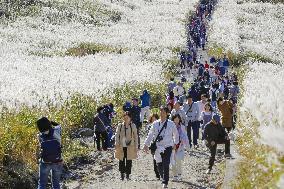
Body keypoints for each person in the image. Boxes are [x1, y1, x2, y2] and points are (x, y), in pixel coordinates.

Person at [143, 106, 179, 189]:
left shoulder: (171, 123)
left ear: (167, 114)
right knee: (159, 163)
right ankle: (163, 177)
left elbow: (176, 134)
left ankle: (165, 182)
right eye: (161, 112)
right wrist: (146, 145)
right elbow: (150, 135)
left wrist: (175, 143)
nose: (162, 114)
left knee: (166, 163)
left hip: (168, 146)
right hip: (158, 147)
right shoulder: (155, 123)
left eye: (163, 112)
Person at [36, 117, 63, 189]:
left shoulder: (39, 136)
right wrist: (50, 122)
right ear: (48, 124)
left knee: (42, 184)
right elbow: (59, 125)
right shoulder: (57, 131)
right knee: (56, 184)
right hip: (57, 161)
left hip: (45, 161)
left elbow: (40, 147)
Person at [114, 111, 138, 180]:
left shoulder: (133, 126)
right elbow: (117, 135)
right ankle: (122, 174)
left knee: (129, 160)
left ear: (130, 118)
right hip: (121, 145)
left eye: (127, 117)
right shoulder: (120, 125)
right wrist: (116, 143)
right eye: (125, 117)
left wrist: (136, 146)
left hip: (130, 145)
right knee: (121, 159)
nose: (126, 119)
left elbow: (136, 136)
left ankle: (127, 175)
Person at [171, 114, 188, 181]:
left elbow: (185, 136)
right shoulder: (170, 126)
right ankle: (174, 176)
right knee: (172, 161)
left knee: (178, 161)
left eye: (178, 119)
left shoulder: (182, 127)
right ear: (173, 119)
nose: (176, 120)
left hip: (180, 146)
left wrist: (187, 145)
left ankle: (179, 175)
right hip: (172, 146)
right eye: (175, 119)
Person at [147, 114, 160, 180]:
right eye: (153, 119)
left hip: (160, 144)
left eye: (155, 119)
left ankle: (161, 171)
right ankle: (157, 173)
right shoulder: (149, 126)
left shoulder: (161, 125)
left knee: (160, 158)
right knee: (154, 159)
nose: (154, 120)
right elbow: (148, 137)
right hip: (153, 145)